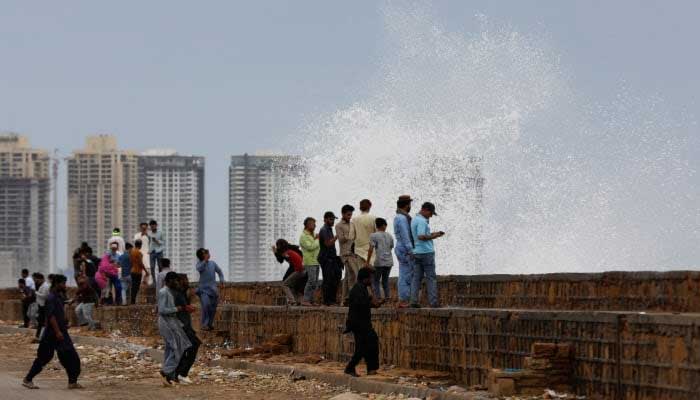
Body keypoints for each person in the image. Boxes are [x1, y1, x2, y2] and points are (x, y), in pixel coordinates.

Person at [23, 274, 83, 390]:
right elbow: (51, 317)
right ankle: (28, 379)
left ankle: (72, 382)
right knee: (44, 358)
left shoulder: (59, 296)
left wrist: (65, 322)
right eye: (63, 283)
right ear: (57, 284)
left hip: (61, 332)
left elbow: (59, 312)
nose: (65, 285)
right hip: (52, 334)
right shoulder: (51, 298)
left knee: (71, 357)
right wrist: (57, 332)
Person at [344, 267, 381, 377]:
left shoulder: (362, 288)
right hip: (359, 324)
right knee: (363, 348)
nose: (372, 280)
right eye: (370, 278)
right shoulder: (358, 289)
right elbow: (361, 305)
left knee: (370, 344)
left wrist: (372, 301)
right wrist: (372, 303)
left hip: (363, 323)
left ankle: (370, 368)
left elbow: (365, 302)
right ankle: (351, 368)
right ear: (365, 279)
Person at [157, 271, 192, 385]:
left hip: (171, 321)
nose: (176, 283)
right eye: (175, 280)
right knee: (177, 346)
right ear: (169, 280)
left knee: (172, 347)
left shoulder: (168, 292)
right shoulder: (163, 292)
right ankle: (167, 371)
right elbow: (162, 310)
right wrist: (178, 309)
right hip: (166, 321)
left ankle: (169, 374)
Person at [409, 202, 444, 308]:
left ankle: (414, 301)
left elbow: (420, 236)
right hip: (426, 253)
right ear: (425, 210)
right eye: (431, 213)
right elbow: (421, 236)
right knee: (431, 278)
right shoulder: (422, 221)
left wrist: (434, 234)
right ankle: (433, 302)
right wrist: (434, 236)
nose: (431, 216)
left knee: (416, 278)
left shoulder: (414, 219)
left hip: (417, 252)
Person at [174, 274, 200, 384]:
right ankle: (182, 373)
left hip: (185, 325)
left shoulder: (183, 293)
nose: (187, 282)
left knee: (187, 348)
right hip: (181, 326)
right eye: (185, 280)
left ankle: (178, 373)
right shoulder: (177, 294)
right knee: (193, 345)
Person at [336, 204, 362, 304]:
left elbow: (355, 238)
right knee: (353, 276)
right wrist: (349, 236)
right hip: (345, 254)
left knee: (348, 277)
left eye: (351, 215)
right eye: (348, 214)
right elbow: (341, 239)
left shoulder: (352, 224)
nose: (349, 216)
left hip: (353, 253)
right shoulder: (338, 226)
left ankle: (344, 300)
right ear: (343, 214)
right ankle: (352, 299)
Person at [393, 195, 415, 308]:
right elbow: (405, 235)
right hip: (405, 249)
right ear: (407, 205)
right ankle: (404, 300)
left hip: (401, 248)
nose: (410, 206)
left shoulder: (400, 217)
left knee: (404, 273)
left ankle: (404, 299)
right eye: (410, 204)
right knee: (405, 274)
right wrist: (411, 250)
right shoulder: (401, 218)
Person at [195, 249, 224, 331]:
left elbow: (219, 271)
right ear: (201, 256)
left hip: (213, 290)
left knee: (213, 308)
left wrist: (221, 279)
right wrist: (205, 261)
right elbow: (199, 269)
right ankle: (204, 324)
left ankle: (209, 324)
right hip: (203, 290)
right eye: (205, 254)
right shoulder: (199, 264)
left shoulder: (213, 263)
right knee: (206, 305)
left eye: (207, 253)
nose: (208, 254)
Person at [367, 218, 395, 301]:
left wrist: (367, 262)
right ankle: (387, 298)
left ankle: (378, 298)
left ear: (376, 226)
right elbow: (391, 247)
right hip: (389, 261)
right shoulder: (389, 235)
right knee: (385, 280)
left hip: (379, 261)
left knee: (376, 280)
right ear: (384, 225)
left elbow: (371, 249)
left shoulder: (373, 235)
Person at [318, 211, 342, 306]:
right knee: (328, 280)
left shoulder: (329, 229)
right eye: (331, 219)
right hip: (326, 259)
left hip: (331, 258)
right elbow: (328, 244)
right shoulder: (324, 230)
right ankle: (327, 301)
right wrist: (337, 236)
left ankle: (332, 300)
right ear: (325, 219)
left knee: (335, 278)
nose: (332, 221)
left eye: (333, 219)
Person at [274, 239, 306, 305]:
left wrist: (275, 252)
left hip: (299, 271)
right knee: (291, 285)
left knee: (284, 284)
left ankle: (292, 301)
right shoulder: (291, 250)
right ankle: (297, 301)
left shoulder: (287, 253)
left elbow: (283, 258)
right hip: (303, 270)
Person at [299, 217, 320, 306]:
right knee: (311, 281)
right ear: (307, 225)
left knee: (315, 282)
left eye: (315, 223)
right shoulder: (303, 236)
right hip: (309, 261)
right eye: (313, 223)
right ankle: (305, 300)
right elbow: (310, 247)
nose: (315, 225)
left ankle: (311, 300)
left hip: (316, 261)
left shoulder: (314, 234)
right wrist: (317, 239)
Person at [352, 199, 377, 267]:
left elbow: (351, 236)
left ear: (360, 207)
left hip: (359, 251)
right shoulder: (374, 218)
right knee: (372, 274)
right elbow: (377, 235)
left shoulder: (354, 220)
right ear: (370, 206)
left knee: (361, 274)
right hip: (371, 251)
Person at [129, 239, 149, 304]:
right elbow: (141, 263)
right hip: (138, 272)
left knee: (133, 286)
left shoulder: (132, 251)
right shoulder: (139, 252)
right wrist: (146, 271)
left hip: (132, 271)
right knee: (136, 287)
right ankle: (133, 301)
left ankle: (132, 300)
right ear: (140, 245)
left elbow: (131, 262)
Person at [149, 220, 165, 286]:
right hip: (152, 252)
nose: (152, 227)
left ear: (156, 225)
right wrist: (149, 250)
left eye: (153, 225)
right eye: (151, 226)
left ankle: (161, 281)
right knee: (152, 267)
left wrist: (156, 241)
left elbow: (163, 242)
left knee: (160, 267)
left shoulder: (160, 232)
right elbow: (149, 242)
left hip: (159, 251)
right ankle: (154, 282)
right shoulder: (149, 233)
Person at [33, 273, 49, 340]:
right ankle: (38, 336)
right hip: (40, 305)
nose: (37, 282)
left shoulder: (45, 286)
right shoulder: (41, 285)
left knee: (41, 322)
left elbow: (44, 296)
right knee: (40, 321)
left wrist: (36, 293)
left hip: (43, 305)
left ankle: (39, 336)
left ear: (41, 279)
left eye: (38, 280)